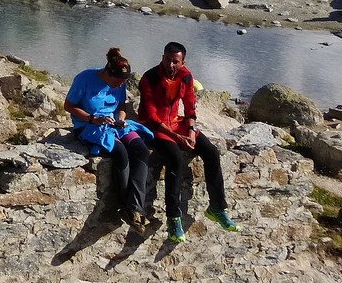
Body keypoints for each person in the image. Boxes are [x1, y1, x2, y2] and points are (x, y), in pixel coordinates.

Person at [137, 41, 241, 243]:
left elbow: (190, 108)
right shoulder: (149, 78)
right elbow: (150, 116)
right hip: (154, 128)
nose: (170, 65)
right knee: (175, 158)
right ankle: (173, 218)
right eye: (167, 59)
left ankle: (217, 208)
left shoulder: (186, 76)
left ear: (183, 62)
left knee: (211, 152)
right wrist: (177, 138)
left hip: (178, 124)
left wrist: (191, 133)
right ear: (162, 57)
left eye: (175, 61)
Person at [65, 47, 154, 235]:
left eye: (122, 82)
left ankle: (136, 205)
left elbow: (121, 106)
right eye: (116, 82)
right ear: (107, 73)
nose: (118, 85)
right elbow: (69, 105)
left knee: (140, 149)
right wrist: (92, 118)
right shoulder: (85, 78)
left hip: (114, 124)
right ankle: (127, 208)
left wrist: (121, 119)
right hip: (88, 125)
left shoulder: (119, 84)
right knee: (121, 153)